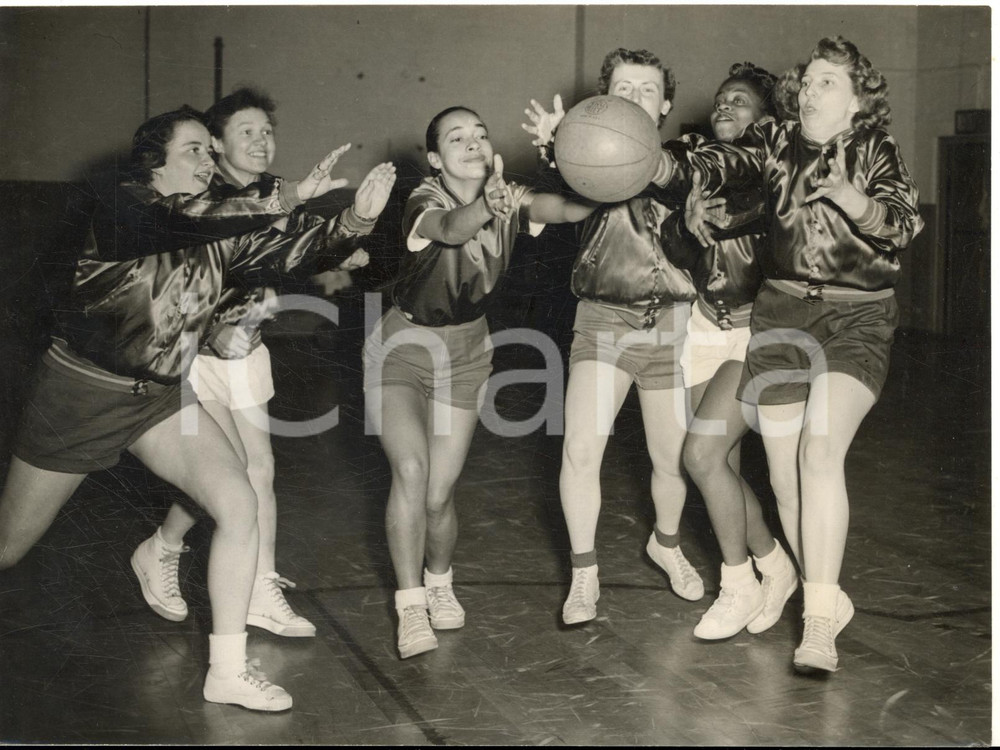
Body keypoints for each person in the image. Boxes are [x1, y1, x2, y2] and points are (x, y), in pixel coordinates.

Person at [0, 105, 360, 711]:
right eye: (193, 149)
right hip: (84, 392)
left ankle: (225, 669)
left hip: (162, 397)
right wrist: (290, 192)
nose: (207, 160)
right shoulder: (125, 207)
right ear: (154, 162)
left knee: (238, 499)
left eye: (207, 150)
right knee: (9, 545)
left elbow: (280, 256)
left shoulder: (207, 229)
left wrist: (353, 218)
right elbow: (191, 223)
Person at [655, 37, 923, 671]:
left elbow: (905, 223)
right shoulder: (775, 140)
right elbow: (724, 166)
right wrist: (665, 169)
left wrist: (849, 197)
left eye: (827, 82)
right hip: (780, 316)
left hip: (855, 317)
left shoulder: (875, 150)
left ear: (857, 101)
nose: (809, 89)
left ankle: (819, 621)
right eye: (808, 79)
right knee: (782, 479)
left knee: (819, 450)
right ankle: (817, 589)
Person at [130, 87, 395, 639]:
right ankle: (173, 552)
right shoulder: (203, 197)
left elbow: (292, 252)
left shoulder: (275, 190)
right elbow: (220, 268)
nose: (260, 139)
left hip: (248, 346)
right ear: (217, 142)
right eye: (245, 131)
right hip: (196, 352)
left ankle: (255, 584)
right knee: (232, 479)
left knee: (258, 473)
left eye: (267, 130)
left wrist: (347, 236)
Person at [364, 106, 596, 659]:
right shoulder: (424, 201)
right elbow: (450, 229)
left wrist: (588, 164)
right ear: (436, 158)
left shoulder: (508, 197)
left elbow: (569, 210)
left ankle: (440, 584)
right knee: (412, 471)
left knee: (439, 497)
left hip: (468, 354)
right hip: (402, 349)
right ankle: (410, 606)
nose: (472, 143)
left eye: (480, 134)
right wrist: (486, 206)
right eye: (456, 137)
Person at [523, 48, 704, 626]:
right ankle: (583, 574)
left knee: (672, 459)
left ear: (666, 104)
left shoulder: (688, 161)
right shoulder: (588, 157)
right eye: (621, 88)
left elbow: (695, 199)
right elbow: (568, 199)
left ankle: (667, 545)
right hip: (604, 319)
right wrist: (558, 151)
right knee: (580, 448)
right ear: (603, 100)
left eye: (646, 89)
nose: (632, 98)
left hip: (673, 324)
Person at [663, 62, 799, 640]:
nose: (724, 107)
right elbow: (674, 245)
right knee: (720, 468)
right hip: (704, 326)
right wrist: (683, 226)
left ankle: (738, 582)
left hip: (758, 330)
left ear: (766, 120)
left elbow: (768, 219)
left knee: (699, 456)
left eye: (739, 101)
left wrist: (708, 218)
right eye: (720, 99)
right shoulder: (702, 168)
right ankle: (774, 566)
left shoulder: (775, 167)